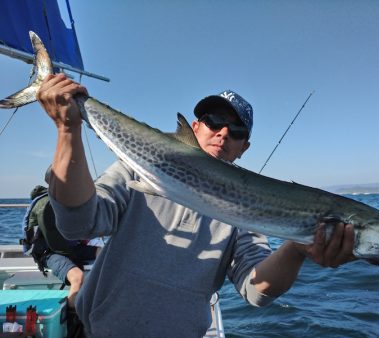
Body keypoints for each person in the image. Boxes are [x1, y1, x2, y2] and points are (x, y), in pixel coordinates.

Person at [36, 73, 355, 337]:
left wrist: (296, 247)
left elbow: (256, 290)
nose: (223, 132)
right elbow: (79, 223)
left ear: (245, 147)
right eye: (214, 120)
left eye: (237, 130)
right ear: (195, 126)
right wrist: (68, 130)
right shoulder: (144, 165)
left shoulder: (251, 204)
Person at [23, 184, 104, 308]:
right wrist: (76, 260)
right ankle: (72, 320)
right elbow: (54, 242)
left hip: (67, 248)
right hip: (48, 252)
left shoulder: (61, 203)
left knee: (104, 252)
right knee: (77, 277)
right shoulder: (46, 205)